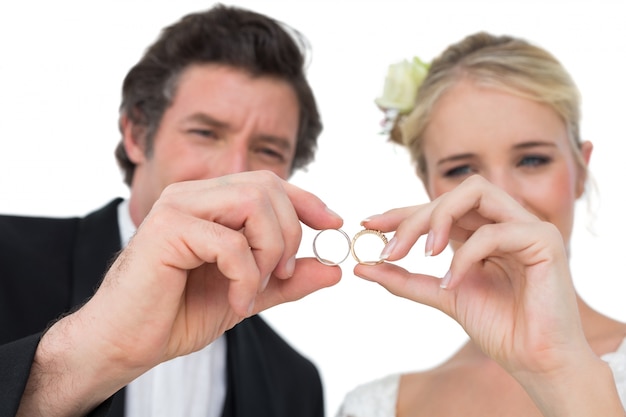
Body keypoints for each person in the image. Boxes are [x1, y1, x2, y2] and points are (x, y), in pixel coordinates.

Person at [0, 5, 344, 417]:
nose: (234, 172)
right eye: (205, 132)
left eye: (268, 150)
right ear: (136, 134)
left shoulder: (295, 383)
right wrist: (85, 355)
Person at [337, 32, 626, 416]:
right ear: (429, 191)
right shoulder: (373, 407)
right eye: (461, 170)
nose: (498, 198)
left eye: (532, 160)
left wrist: (559, 370)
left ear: (580, 170)